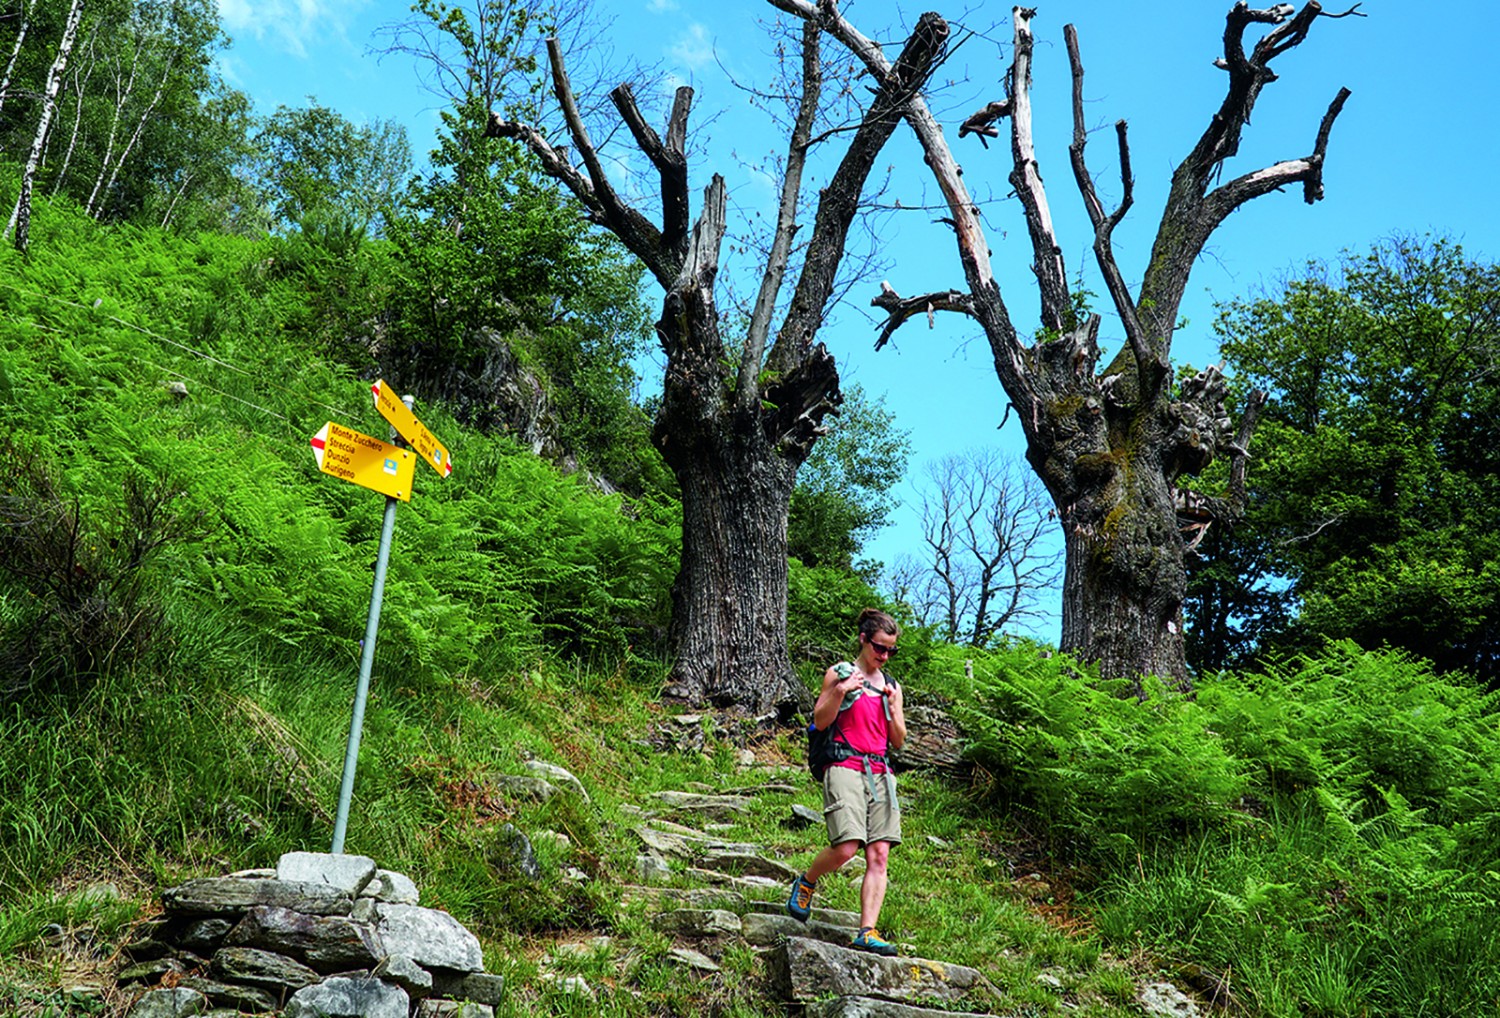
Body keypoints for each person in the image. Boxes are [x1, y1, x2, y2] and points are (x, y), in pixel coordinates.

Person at [786, 608, 907, 956]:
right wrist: (841, 691)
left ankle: (867, 931)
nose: (884, 656)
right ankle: (807, 881)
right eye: (879, 648)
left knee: (880, 853)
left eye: (891, 651)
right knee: (846, 846)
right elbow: (820, 722)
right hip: (844, 763)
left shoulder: (892, 686)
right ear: (863, 640)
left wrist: (893, 707)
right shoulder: (839, 673)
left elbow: (898, 740)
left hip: (881, 771)